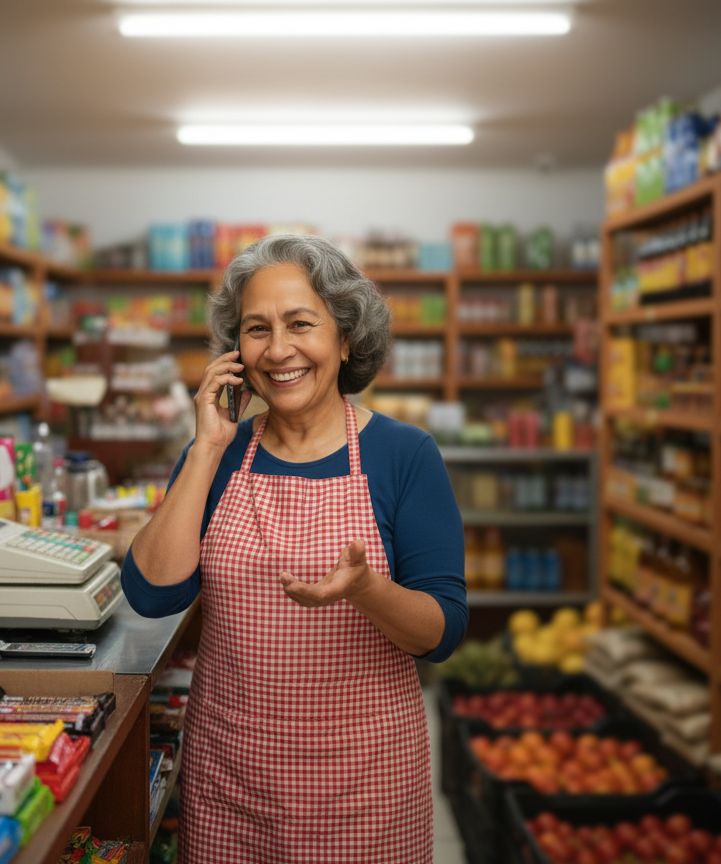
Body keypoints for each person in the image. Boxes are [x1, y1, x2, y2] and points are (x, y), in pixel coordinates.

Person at [122, 234, 468, 862]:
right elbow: (153, 593)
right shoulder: (218, 457)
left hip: (365, 790)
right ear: (235, 350)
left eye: (301, 324)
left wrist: (368, 590)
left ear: (346, 338)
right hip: (232, 781)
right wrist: (205, 446)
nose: (278, 350)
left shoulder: (404, 456)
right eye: (256, 329)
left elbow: (440, 633)